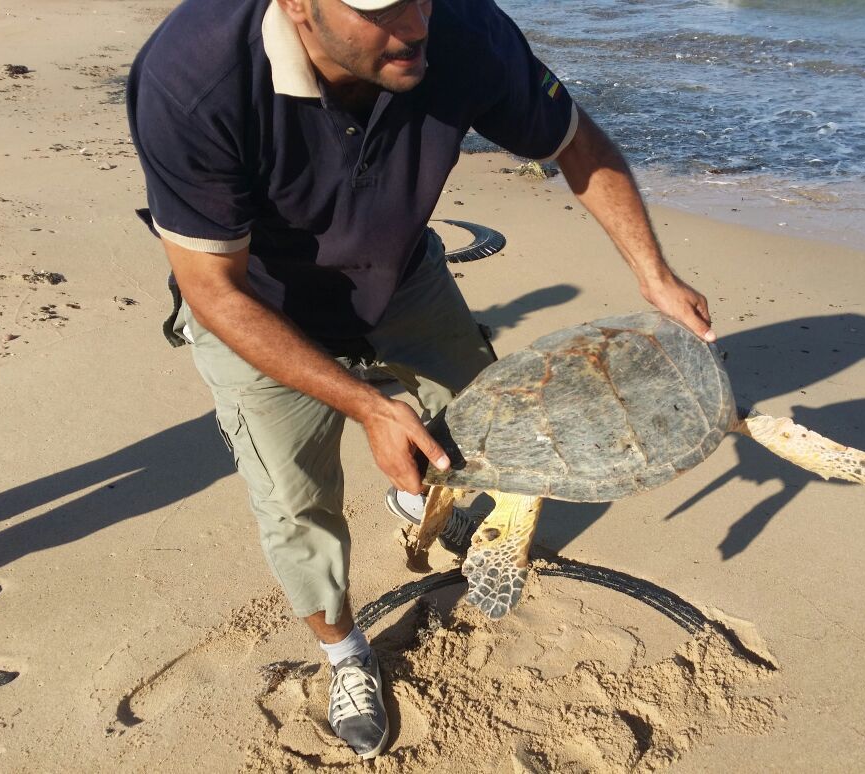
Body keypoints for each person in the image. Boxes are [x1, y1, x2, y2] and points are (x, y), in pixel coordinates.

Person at [127, 0, 713, 759]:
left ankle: (418, 499)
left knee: (486, 418)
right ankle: (345, 655)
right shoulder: (192, 78)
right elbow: (213, 288)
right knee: (296, 503)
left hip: (401, 275)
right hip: (258, 306)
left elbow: (575, 142)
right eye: (381, 8)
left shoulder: (462, 31)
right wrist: (367, 406)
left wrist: (654, 275)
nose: (414, 24)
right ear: (299, 6)